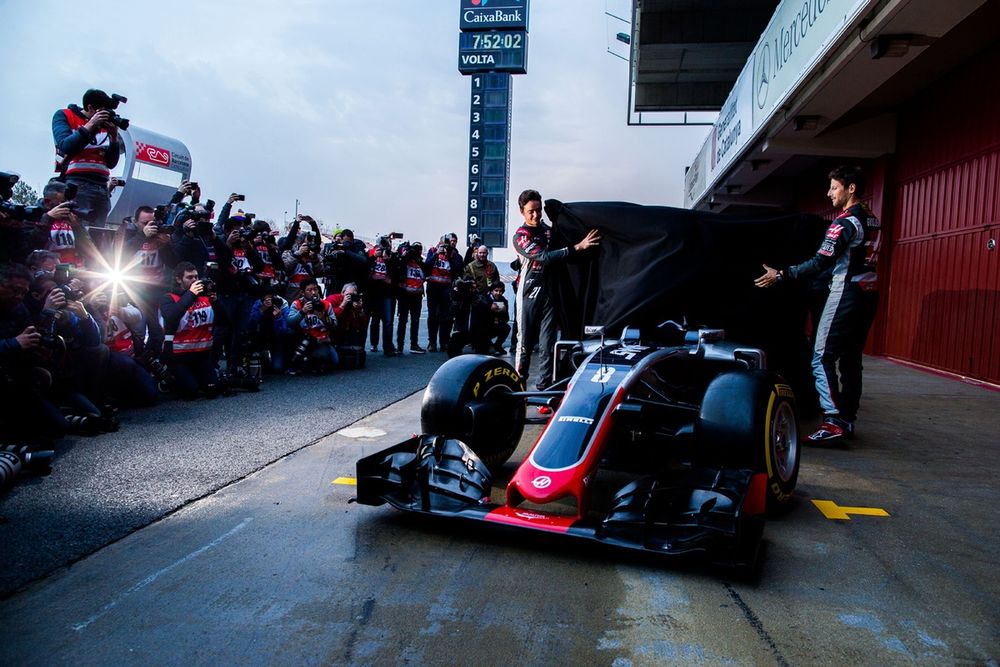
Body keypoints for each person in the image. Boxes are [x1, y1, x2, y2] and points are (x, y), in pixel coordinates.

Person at [755, 165, 881, 442]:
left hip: (846, 292)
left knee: (821, 356)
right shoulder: (872, 218)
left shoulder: (845, 222)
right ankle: (847, 419)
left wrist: (783, 274)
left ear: (851, 189)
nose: (829, 194)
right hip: (869, 292)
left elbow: (820, 262)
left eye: (834, 188)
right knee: (851, 359)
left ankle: (834, 421)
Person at [512, 189, 600, 390]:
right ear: (522, 212)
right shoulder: (520, 235)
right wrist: (577, 247)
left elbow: (564, 242)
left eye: (539, 210)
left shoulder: (549, 231)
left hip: (550, 292)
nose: (536, 215)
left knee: (548, 346)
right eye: (530, 212)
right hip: (528, 294)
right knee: (524, 345)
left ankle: (544, 390)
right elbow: (543, 256)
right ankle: (519, 387)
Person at [51, 89, 123, 226]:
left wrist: (114, 137)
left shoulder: (105, 126)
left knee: (98, 235)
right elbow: (66, 146)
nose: (104, 116)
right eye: (101, 111)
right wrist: (90, 125)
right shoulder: (64, 115)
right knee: (79, 231)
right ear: (90, 107)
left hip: (102, 185)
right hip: (77, 183)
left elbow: (111, 163)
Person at [160, 262, 221, 399]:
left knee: (212, 390)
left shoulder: (205, 297)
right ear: (178, 279)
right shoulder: (168, 298)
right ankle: (171, 376)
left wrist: (216, 302)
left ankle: (199, 377)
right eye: (190, 277)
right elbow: (171, 316)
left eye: (196, 277)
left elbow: (224, 322)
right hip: (179, 356)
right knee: (190, 393)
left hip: (201, 355)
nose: (195, 280)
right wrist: (191, 294)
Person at [287, 278, 338, 373]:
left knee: (334, 362)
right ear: (303, 292)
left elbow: (335, 326)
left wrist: (324, 318)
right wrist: (302, 312)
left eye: (315, 289)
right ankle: (304, 360)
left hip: (321, 340)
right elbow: (289, 323)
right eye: (309, 290)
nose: (313, 292)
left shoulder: (326, 304)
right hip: (303, 340)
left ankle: (312, 359)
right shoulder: (297, 304)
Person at [424, 235, 462, 352]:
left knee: (446, 316)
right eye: (450, 241)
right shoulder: (432, 251)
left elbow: (457, 269)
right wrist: (437, 254)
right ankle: (432, 342)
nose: (451, 243)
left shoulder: (455, 254)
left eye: (454, 241)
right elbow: (426, 267)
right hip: (433, 288)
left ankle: (444, 341)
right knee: (433, 315)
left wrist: (449, 256)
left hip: (446, 288)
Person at [396, 242, 426, 354]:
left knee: (415, 320)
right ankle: (400, 346)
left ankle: (414, 344)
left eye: (419, 249)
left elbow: (426, 270)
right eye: (416, 249)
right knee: (402, 320)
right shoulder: (404, 261)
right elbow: (400, 263)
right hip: (405, 295)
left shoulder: (420, 263)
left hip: (417, 295)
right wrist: (407, 253)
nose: (417, 251)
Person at [471, 281, 511, 355]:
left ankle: (498, 345)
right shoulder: (484, 299)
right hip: (483, 328)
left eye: (501, 291)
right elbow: (479, 318)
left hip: (495, 325)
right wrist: (489, 309)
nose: (498, 293)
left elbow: (506, 319)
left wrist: (504, 312)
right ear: (492, 291)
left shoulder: (503, 301)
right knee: (483, 351)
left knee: (506, 328)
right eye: (496, 291)